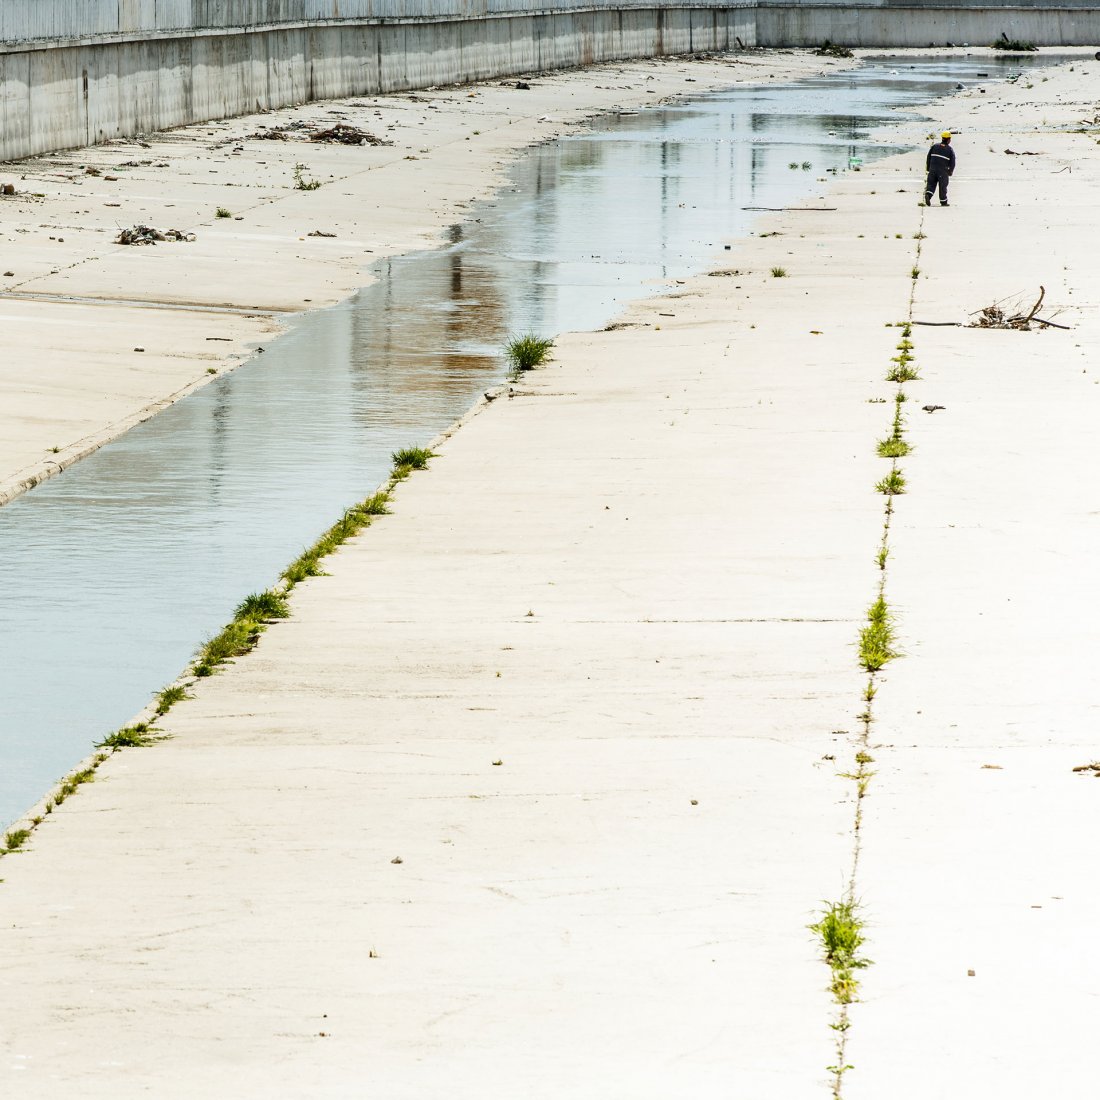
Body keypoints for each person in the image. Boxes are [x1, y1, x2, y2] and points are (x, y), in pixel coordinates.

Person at [925, 132, 955, 207]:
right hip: (943, 171)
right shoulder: (950, 149)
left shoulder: (934, 146)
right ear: (948, 140)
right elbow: (952, 162)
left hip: (932, 169)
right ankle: (943, 201)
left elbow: (928, 157)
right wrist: (950, 171)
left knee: (931, 184)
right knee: (943, 186)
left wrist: (928, 168)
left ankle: (928, 195)